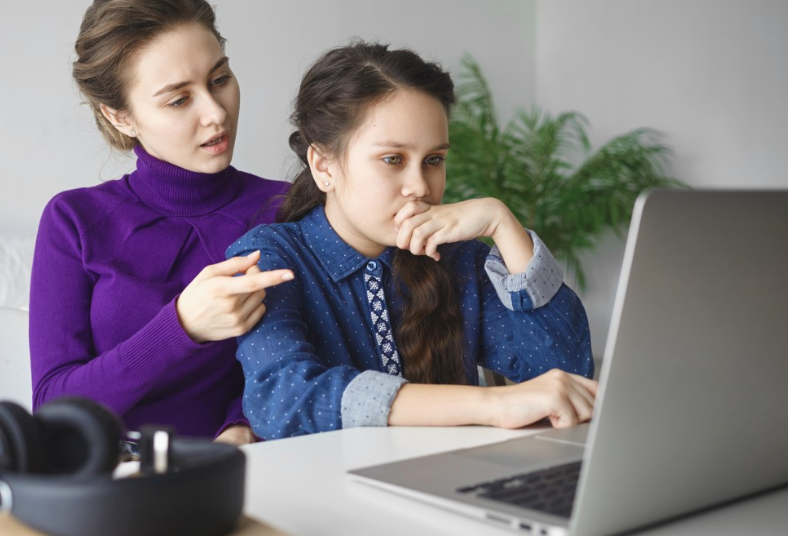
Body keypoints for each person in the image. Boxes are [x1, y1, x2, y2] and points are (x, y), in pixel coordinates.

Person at [227, 41, 596, 440]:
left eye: (434, 160)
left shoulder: (458, 258)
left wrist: (502, 223)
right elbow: (286, 400)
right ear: (323, 165)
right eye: (393, 159)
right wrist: (491, 405)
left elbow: (566, 376)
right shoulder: (270, 258)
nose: (420, 186)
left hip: (448, 484)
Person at [30, 0, 293, 445]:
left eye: (220, 79)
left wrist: (242, 426)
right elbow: (54, 409)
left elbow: (307, 360)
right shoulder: (74, 221)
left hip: (253, 468)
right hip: (115, 481)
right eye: (178, 99)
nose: (215, 112)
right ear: (120, 116)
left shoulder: (284, 209)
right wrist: (181, 326)